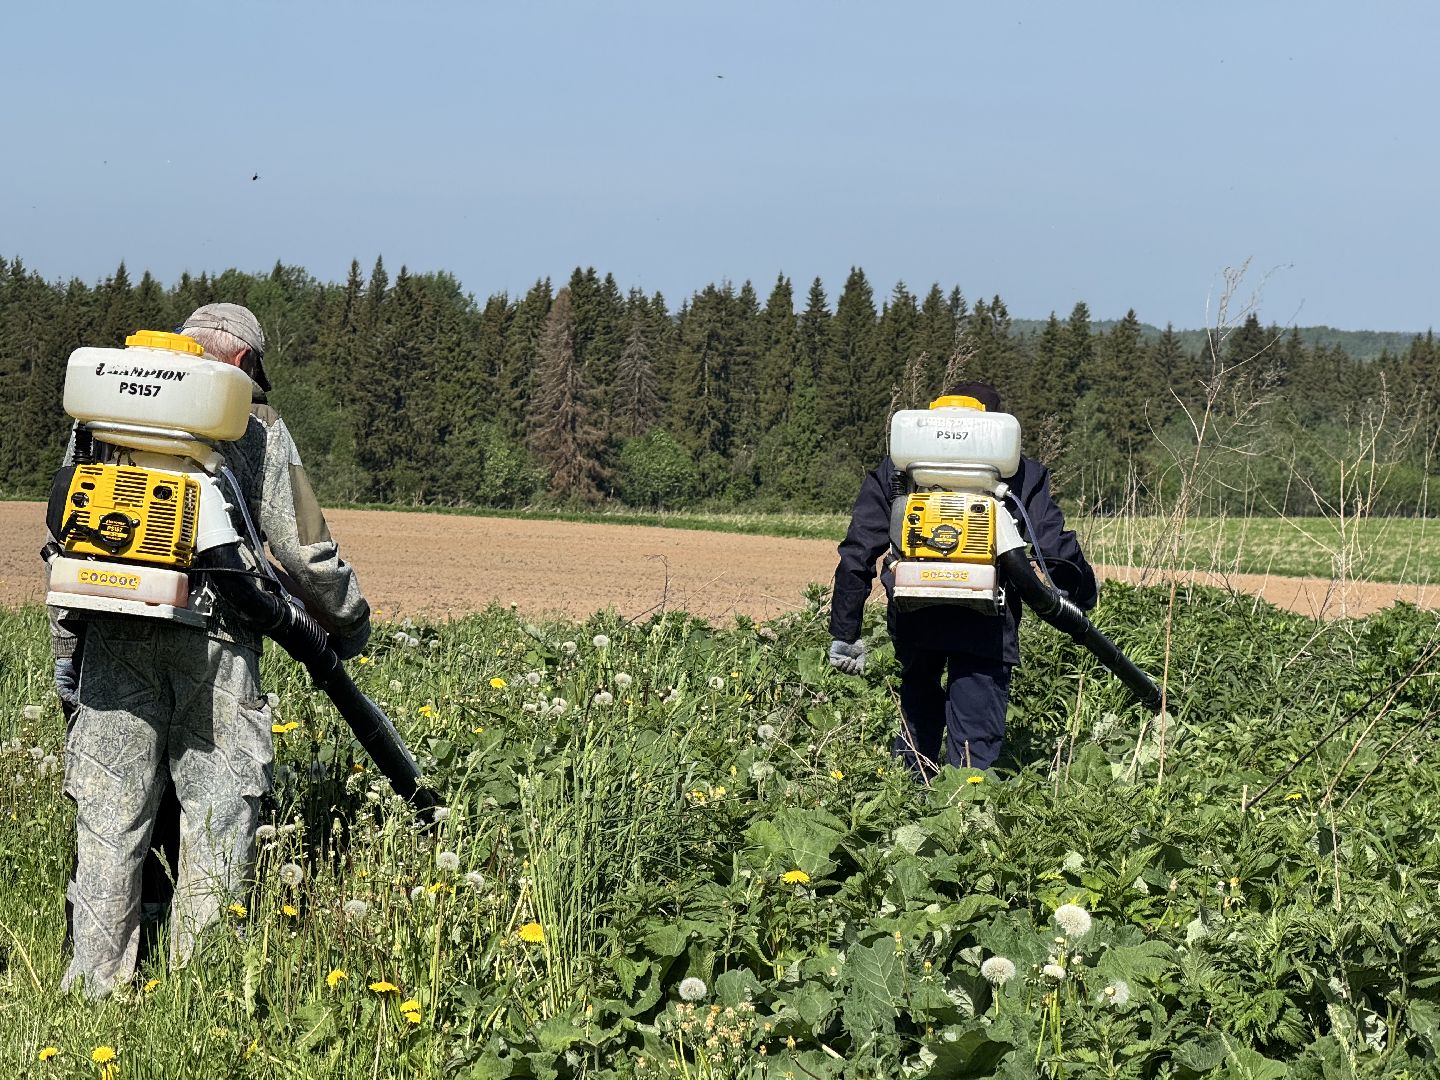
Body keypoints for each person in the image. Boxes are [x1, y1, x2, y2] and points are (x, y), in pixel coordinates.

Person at [49, 302, 372, 997]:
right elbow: (305, 551)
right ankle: (205, 996)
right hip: (218, 645)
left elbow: (70, 525)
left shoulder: (109, 405)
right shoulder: (254, 423)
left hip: (113, 631)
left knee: (110, 815)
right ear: (245, 362)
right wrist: (350, 623)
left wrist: (66, 650)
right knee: (219, 815)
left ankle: (93, 990)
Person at [827, 382, 1097, 779]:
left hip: (914, 614)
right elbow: (1054, 550)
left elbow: (858, 552)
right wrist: (1083, 596)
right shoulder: (1017, 470)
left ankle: (906, 812)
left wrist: (846, 631)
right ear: (997, 426)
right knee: (973, 749)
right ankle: (961, 819)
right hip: (986, 626)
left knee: (916, 723)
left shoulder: (900, 467)